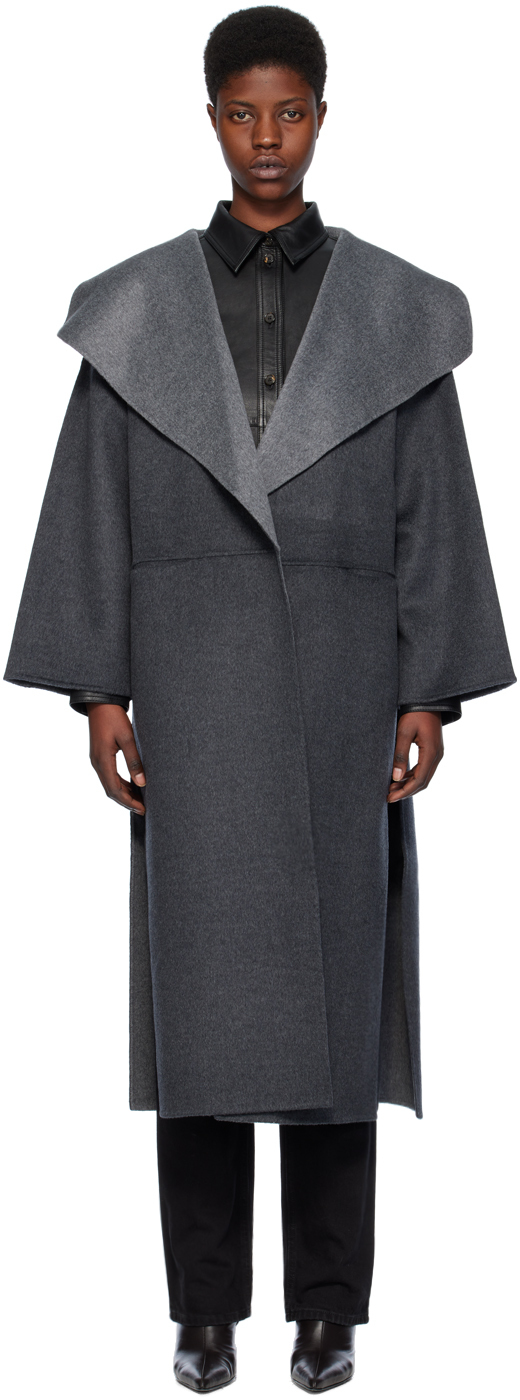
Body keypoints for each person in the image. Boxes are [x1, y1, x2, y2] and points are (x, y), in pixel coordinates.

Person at [4, 6, 515, 1393]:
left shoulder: (397, 314)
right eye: (244, 112)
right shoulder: (135, 311)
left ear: (323, 117)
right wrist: (100, 689)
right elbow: (93, 497)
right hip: (193, 688)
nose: (268, 137)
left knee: (339, 1013)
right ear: (213, 120)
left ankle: (330, 1307)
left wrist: (430, 688)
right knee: (203, 1012)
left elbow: (433, 502)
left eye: (291, 111)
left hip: (347, 687)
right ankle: (206, 1309)